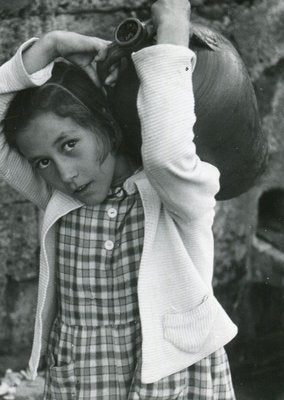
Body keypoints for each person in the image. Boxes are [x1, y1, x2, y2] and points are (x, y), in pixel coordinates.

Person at [0, 0, 238, 398]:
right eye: (42, 161)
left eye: (70, 144)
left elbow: (166, 149)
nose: (65, 173)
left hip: (171, 381)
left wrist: (173, 28)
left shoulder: (175, 193)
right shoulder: (61, 200)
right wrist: (50, 45)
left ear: (107, 124)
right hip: (83, 380)